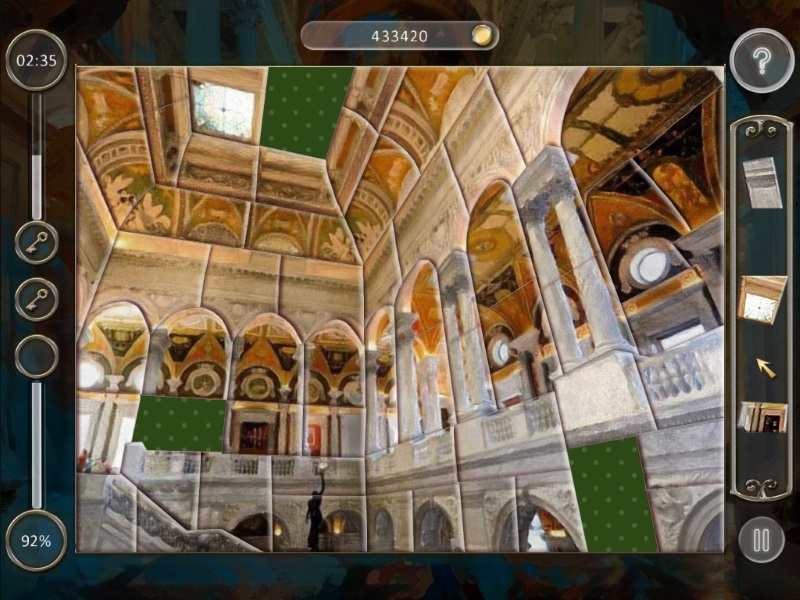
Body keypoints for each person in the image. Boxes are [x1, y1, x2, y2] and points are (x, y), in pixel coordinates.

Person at [306, 470, 326, 551]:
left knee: (315, 531)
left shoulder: (317, 500)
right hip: (313, 518)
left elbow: (323, 487)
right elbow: (309, 509)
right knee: (312, 531)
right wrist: (307, 516)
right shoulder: (310, 502)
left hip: (317, 517)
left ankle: (315, 546)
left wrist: (322, 477)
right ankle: (312, 545)